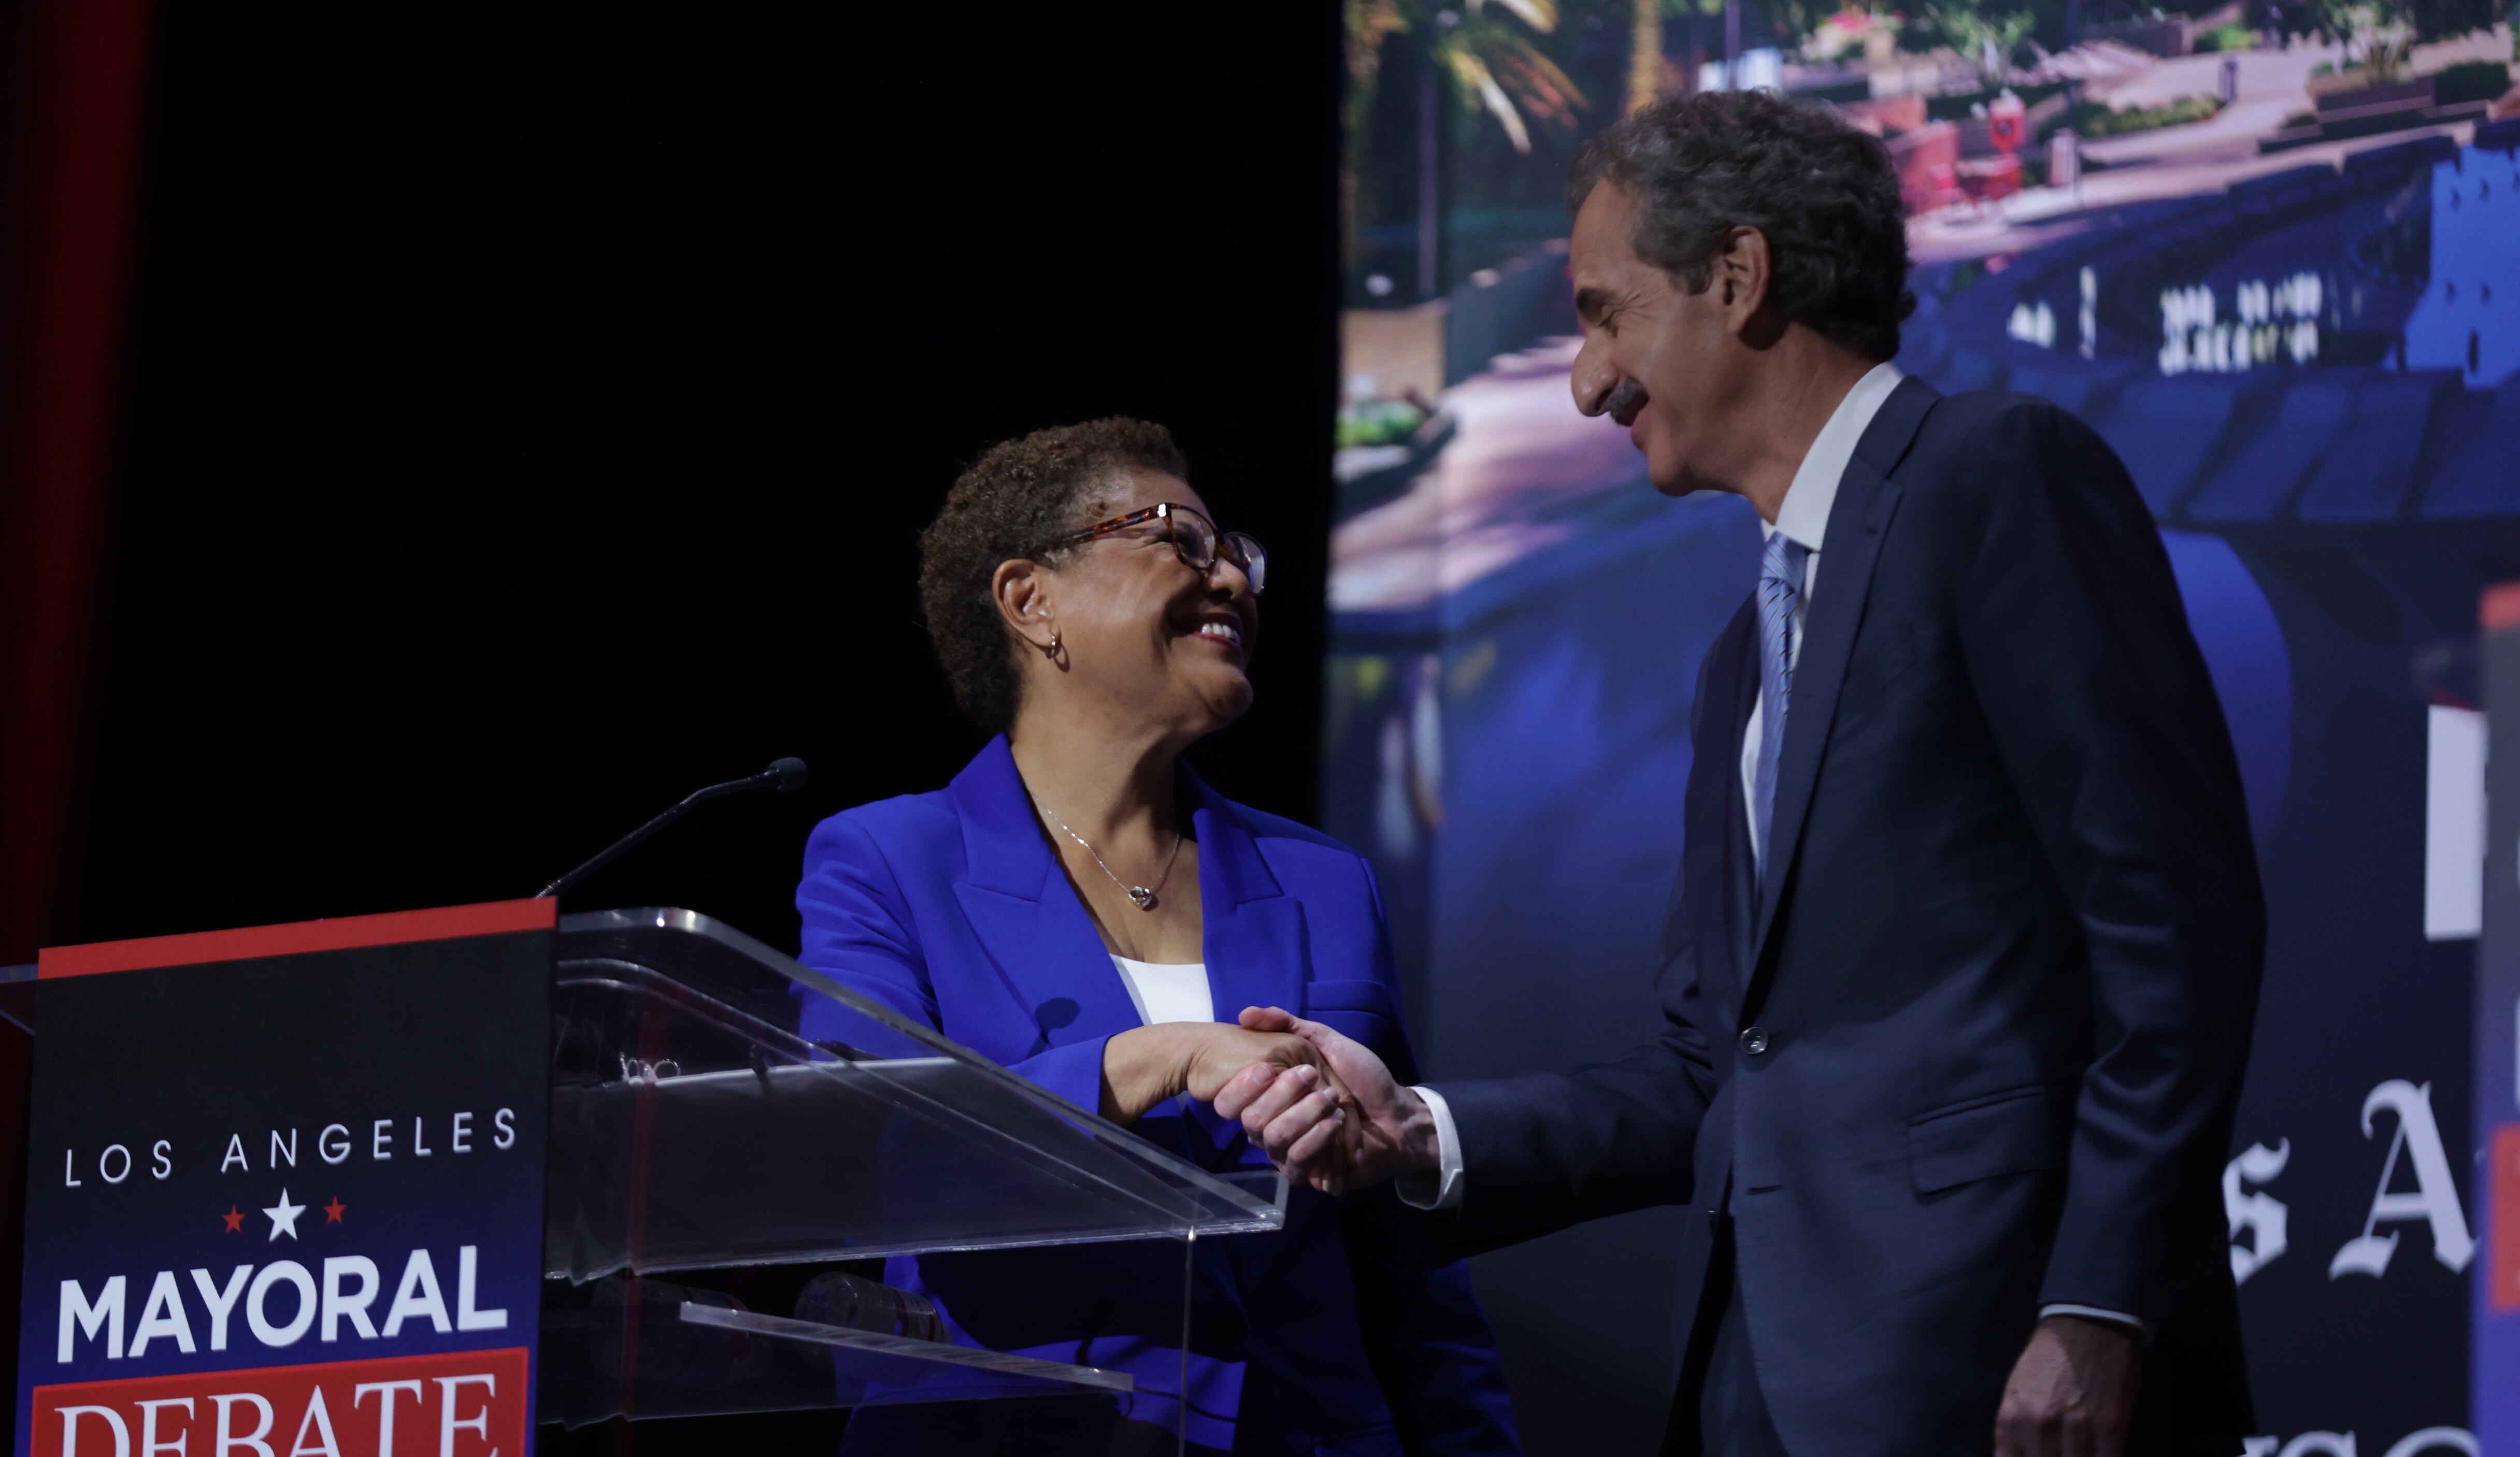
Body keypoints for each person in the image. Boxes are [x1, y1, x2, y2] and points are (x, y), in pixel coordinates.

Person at [1218, 92, 2264, 1457]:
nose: (1586, 380)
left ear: (1740, 275)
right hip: (1756, 1384)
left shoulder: (1994, 475)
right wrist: (1418, 1130)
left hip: (1999, 1368)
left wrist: (2098, 1303)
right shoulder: (1741, 657)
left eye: (1603, 312)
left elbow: (2173, 930)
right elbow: (1717, 1069)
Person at [796, 419, 1523, 1456]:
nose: (1228, 575)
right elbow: (869, 1150)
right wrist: (1158, 1056)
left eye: (1235, 552)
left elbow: (1405, 1265)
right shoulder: (887, 861)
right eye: (1176, 537)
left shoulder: (1323, 882)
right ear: (1028, 600)